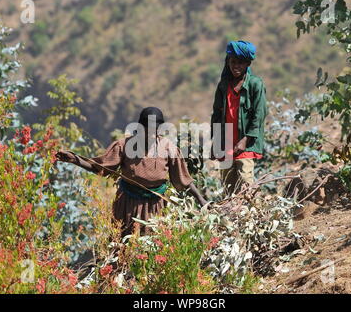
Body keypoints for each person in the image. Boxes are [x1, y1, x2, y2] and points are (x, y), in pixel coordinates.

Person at [56, 107, 207, 237]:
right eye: (148, 128)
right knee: (124, 242)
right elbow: (100, 168)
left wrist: (201, 200)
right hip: (127, 205)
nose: (152, 132)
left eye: (156, 128)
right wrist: (75, 159)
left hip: (156, 206)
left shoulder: (169, 148)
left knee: (154, 243)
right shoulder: (124, 145)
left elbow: (182, 180)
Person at [210, 40, 267, 194]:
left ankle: (251, 215)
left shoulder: (256, 85)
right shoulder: (223, 86)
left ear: (248, 63)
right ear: (228, 62)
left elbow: (259, 115)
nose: (236, 66)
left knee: (246, 186)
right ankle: (231, 217)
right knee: (228, 188)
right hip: (226, 144)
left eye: (240, 63)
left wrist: (245, 140)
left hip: (246, 145)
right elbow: (216, 115)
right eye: (233, 62)